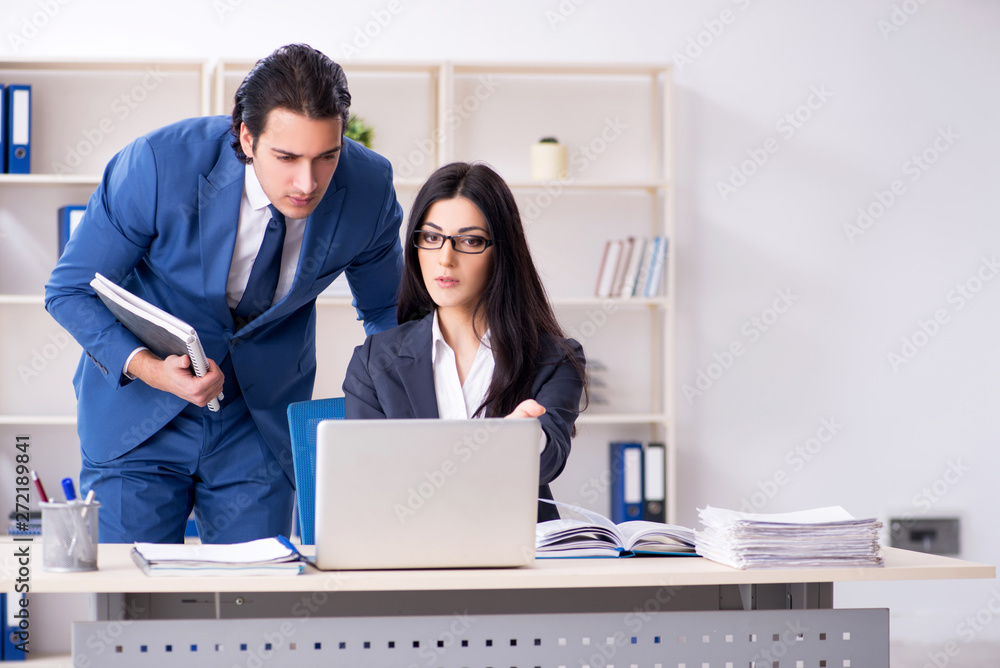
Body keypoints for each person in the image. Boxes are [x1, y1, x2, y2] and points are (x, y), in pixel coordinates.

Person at [44, 44, 404, 544]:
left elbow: (387, 311)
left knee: (251, 609)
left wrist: (407, 417)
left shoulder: (368, 186)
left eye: (327, 156)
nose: (308, 182)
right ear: (246, 137)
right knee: (128, 609)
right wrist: (151, 368)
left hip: (258, 427)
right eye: (287, 157)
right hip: (139, 419)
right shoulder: (157, 165)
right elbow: (68, 291)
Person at [342, 162, 586, 521]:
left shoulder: (553, 358)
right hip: (408, 556)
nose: (445, 259)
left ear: (501, 252)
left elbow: (550, 461)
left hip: (517, 558)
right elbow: (367, 482)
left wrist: (522, 439)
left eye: (470, 241)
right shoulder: (374, 362)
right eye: (431, 237)